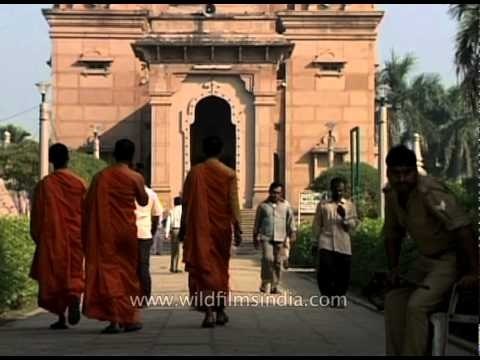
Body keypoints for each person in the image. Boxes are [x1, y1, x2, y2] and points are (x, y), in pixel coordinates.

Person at [383, 145, 477, 355]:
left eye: (407, 173)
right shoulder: (391, 193)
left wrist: (474, 271)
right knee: (394, 301)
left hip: (449, 260)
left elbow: (463, 228)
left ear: (414, 172)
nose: (402, 179)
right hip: (424, 260)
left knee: (417, 306)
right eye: (396, 174)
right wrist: (393, 269)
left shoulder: (429, 191)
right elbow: (392, 234)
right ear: (388, 172)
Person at [82, 139, 148, 334]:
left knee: (109, 274)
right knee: (128, 274)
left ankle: (114, 320)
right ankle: (130, 317)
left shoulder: (100, 177)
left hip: (105, 232)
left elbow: (88, 206)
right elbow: (143, 201)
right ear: (132, 156)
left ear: (114, 155)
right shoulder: (135, 177)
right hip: (127, 232)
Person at [179, 136, 242, 328]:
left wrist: (183, 227)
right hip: (221, 230)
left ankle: (208, 313)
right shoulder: (229, 173)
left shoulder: (195, 173)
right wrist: (238, 228)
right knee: (220, 269)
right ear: (221, 151)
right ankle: (220, 310)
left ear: (203, 150)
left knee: (203, 269)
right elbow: (234, 203)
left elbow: (186, 203)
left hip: (199, 230)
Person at [30, 143, 87, 329]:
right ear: (68, 159)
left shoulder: (45, 185)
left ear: (50, 160)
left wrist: (39, 236)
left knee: (55, 275)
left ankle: (61, 317)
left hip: (52, 238)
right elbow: (86, 212)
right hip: (76, 236)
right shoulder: (79, 183)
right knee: (74, 271)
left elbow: (37, 214)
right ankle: (74, 299)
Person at [311, 177, 359, 305]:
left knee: (343, 273)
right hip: (326, 242)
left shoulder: (349, 205)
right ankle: (327, 295)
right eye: (336, 190)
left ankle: (338, 297)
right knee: (326, 270)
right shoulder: (323, 205)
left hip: (343, 244)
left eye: (342, 190)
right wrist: (314, 241)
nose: (339, 193)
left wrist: (345, 219)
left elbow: (354, 224)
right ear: (331, 190)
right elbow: (317, 224)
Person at [253, 182, 296, 294]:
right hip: (266, 237)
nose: (275, 195)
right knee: (268, 259)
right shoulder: (263, 206)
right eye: (273, 192)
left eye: (278, 193)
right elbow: (257, 222)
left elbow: (290, 220)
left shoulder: (286, 205)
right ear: (269, 192)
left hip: (280, 238)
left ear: (281, 193)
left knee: (278, 262)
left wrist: (293, 233)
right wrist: (255, 236)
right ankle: (265, 281)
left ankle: (274, 286)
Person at [134, 163, 163, 299]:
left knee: (130, 267)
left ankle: (133, 294)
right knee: (143, 266)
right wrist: (152, 230)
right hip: (145, 233)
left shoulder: (127, 193)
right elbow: (157, 215)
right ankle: (145, 296)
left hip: (129, 233)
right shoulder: (151, 194)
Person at [165, 196, 183, 273]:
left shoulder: (172, 211)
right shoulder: (183, 210)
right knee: (179, 250)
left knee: (173, 250)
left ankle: (172, 266)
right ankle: (177, 267)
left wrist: (166, 233)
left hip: (174, 230)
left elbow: (168, 222)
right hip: (181, 229)